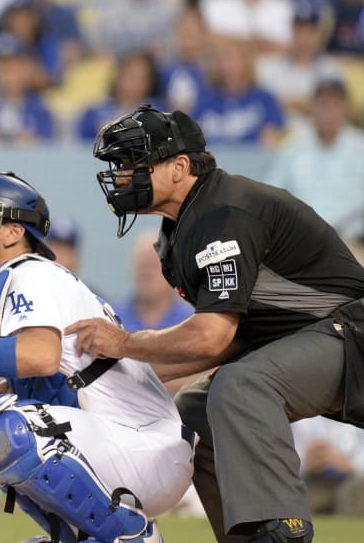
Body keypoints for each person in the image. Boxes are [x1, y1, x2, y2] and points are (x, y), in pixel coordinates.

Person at [71, 105, 364, 543]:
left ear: (179, 167)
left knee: (241, 386)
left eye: (136, 163)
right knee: (195, 408)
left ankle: (282, 531)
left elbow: (211, 338)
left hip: (352, 334)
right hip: (317, 343)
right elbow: (232, 340)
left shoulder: (225, 213)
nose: (124, 176)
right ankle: (247, 535)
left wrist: (124, 342)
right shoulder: (181, 229)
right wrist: (91, 382)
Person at [0, 171, 193, 542]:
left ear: (13, 233)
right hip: (127, 442)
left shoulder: (28, 274)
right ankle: (75, 535)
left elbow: (39, 356)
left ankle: (129, 535)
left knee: (9, 428)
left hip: (145, 447)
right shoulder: (27, 278)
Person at [265, 78, 364, 241]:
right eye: (323, 104)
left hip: (351, 240)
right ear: (312, 108)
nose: (329, 112)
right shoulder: (292, 148)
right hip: (301, 240)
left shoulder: (360, 147)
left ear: (346, 109)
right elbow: (270, 196)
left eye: (335, 105)